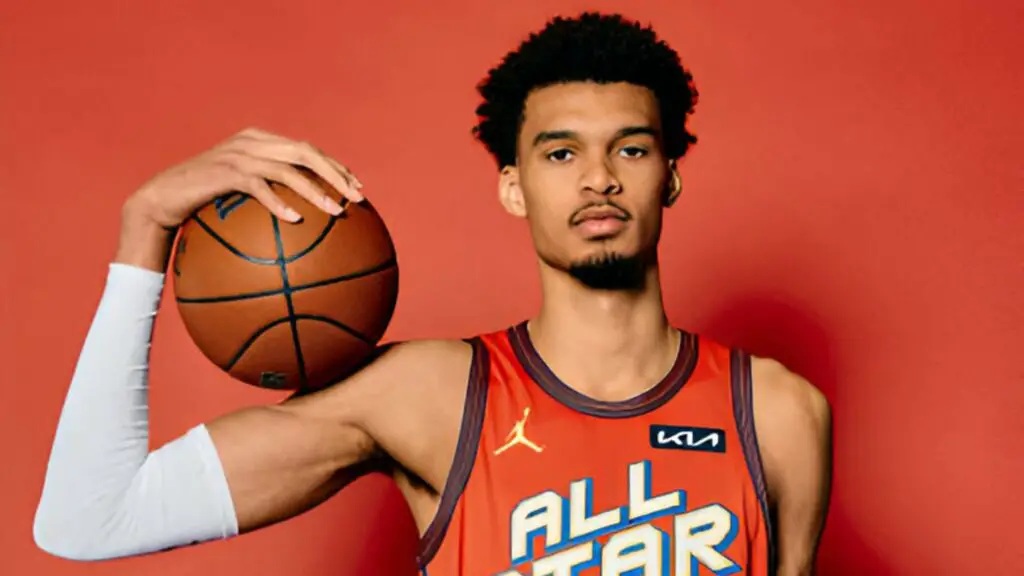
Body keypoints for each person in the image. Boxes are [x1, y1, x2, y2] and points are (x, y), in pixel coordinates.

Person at [33, 12, 832, 576]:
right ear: (513, 189)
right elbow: (90, 519)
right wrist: (145, 229)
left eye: (630, 147)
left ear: (670, 177)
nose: (598, 178)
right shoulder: (433, 398)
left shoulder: (775, 411)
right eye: (560, 154)